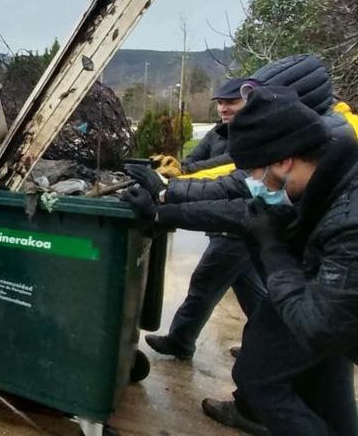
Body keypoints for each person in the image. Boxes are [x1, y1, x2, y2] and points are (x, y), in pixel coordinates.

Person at [126, 86, 358, 435]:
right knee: (325, 380)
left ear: (283, 160)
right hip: (336, 316)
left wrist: (273, 248)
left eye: (252, 171)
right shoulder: (323, 181)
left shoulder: (348, 218)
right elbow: (239, 213)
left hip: (329, 316)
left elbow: (318, 328)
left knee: (258, 378)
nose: (251, 182)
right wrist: (161, 213)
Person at [142, 78, 266, 360]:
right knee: (252, 291)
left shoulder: (255, 136)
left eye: (231, 102)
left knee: (205, 282)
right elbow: (193, 162)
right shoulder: (219, 132)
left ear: (251, 101)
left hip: (236, 222)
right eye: (220, 103)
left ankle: (180, 341)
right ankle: (269, 345)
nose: (223, 108)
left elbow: (227, 172)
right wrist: (175, 167)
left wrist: (169, 192)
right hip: (224, 221)